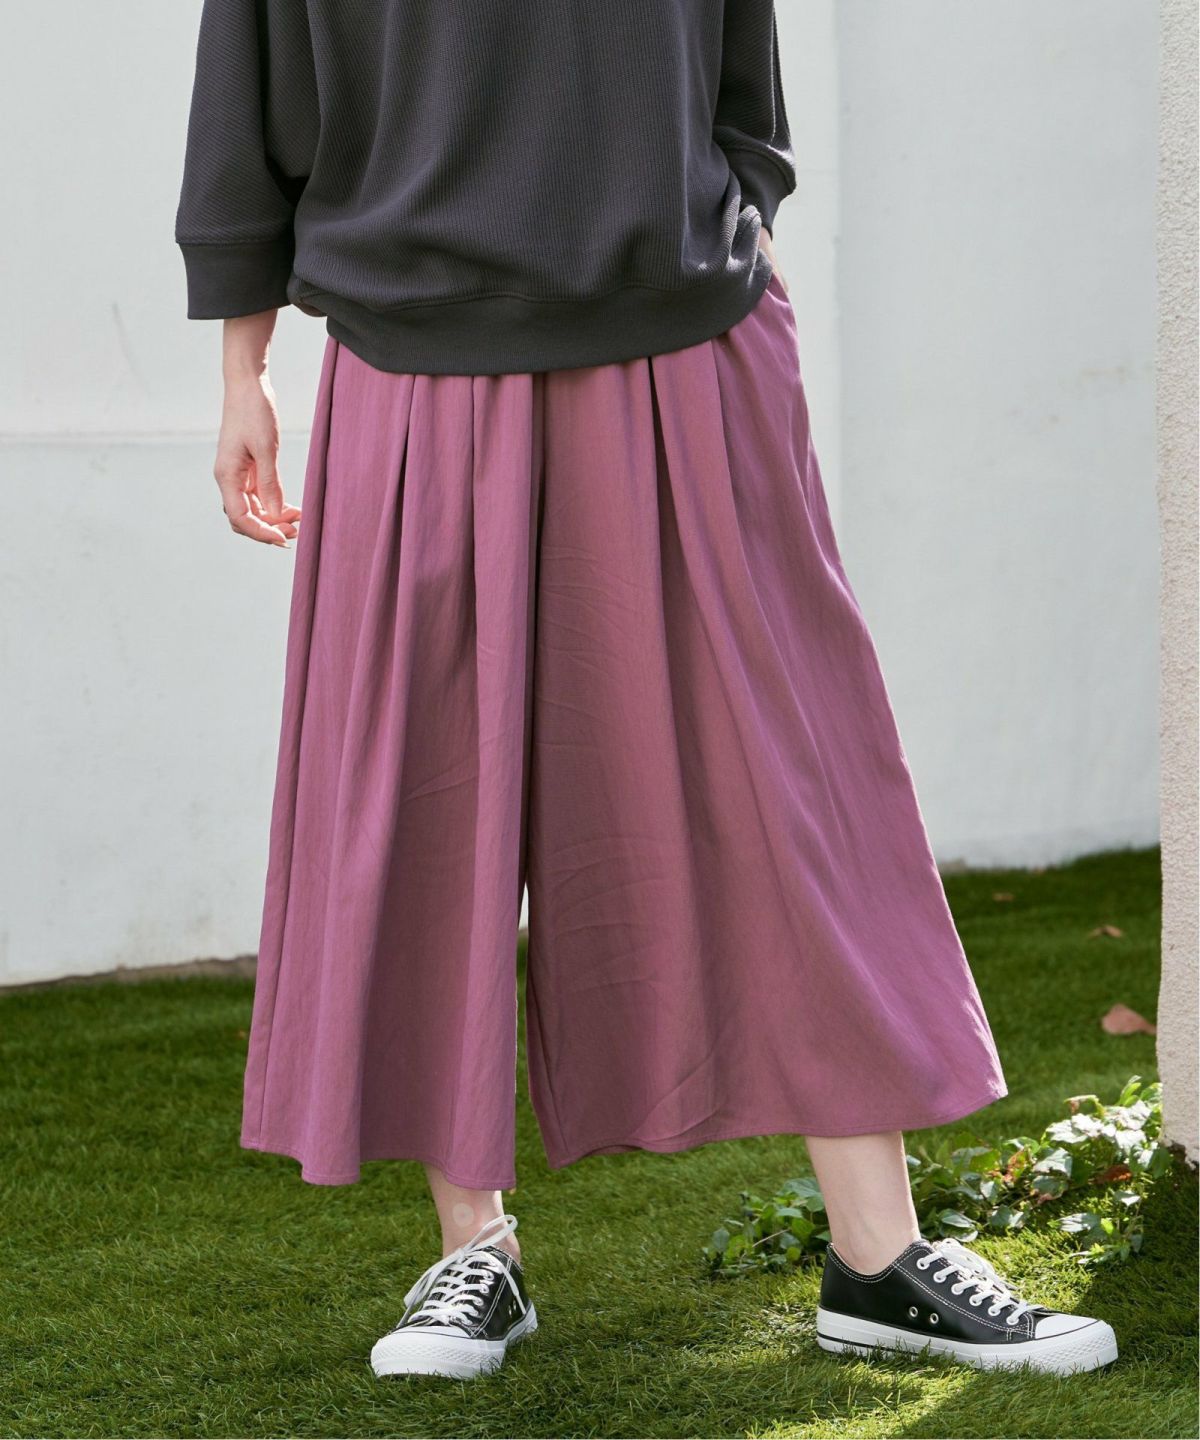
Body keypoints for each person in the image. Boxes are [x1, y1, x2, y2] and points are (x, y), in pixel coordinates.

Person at [176, 0, 1117, 1383]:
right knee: (432, 795)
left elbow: (744, 74)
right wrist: (241, 369)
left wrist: (749, 241)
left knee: (788, 785)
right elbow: (245, 90)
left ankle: (880, 1257)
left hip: (688, 334)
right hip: (412, 351)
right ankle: (473, 1249)